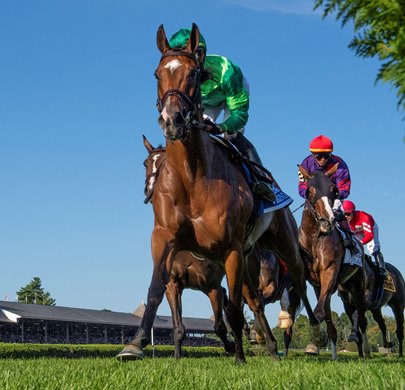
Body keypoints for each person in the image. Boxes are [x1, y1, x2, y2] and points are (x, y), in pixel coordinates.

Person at [168, 28, 275, 202]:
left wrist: (221, 126)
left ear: (202, 54)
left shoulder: (226, 72)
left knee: (231, 135)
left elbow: (239, 114)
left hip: (230, 95)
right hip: (206, 102)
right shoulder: (180, 77)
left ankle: (262, 180)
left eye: (195, 54)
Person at [298, 134, 356, 250]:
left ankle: (350, 242)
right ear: (313, 154)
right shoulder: (306, 164)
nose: (323, 160)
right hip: (315, 199)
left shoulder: (340, 165)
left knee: (338, 210)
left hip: (333, 198)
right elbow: (302, 188)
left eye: (327, 156)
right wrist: (313, 196)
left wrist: (332, 196)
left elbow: (344, 189)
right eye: (319, 156)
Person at [342, 200, 388, 278]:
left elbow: (369, 235)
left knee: (373, 248)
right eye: (344, 214)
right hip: (356, 232)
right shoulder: (342, 220)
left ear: (353, 212)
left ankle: (382, 270)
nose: (346, 216)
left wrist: (360, 243)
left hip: (370, 229)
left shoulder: (363, 217)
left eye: (348, 214)